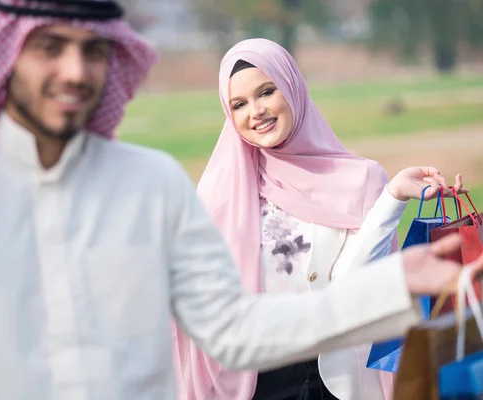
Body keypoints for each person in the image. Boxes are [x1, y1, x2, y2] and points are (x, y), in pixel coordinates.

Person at [0, 3, 479, 399]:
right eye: (48, 46)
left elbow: (231, 326)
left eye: (93, 50)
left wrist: (390, 282)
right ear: (4, 54)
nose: (74, 69)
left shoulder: (152, 184)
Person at [172, 38, 468, 400]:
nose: (256, 111)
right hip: (256, 382)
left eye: (267, 92)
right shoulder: (222, 194)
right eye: (239, 104)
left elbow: (354, 284)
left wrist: (392, 199)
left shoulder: (361, 179)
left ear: (293, 87)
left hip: (339, 379)